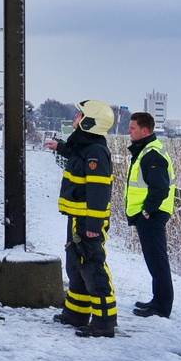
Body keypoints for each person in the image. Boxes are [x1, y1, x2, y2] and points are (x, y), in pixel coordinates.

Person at [44, 100, 117, 338]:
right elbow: (76, 153)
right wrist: (59, 147)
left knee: (93, 267)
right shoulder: (86, 145)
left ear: (90, 121)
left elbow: (99, 192)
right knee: (76, 266)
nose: (76, 116)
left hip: (88, 221)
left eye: (80, 114)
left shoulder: (96, 152)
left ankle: (104, 322)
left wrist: (94, 225)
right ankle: (76, 314)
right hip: (78, 218)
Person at [126, 111, 176, 318]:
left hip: (151, 216)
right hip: (148, 215)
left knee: (157, 261)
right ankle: (157, 301)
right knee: (154, 260)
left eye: (132, 128)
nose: (129, 131)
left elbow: (160, 188)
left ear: (145, 130)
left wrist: (148, 210)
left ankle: (162, 307)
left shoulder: (152, 154)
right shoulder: (146, 150)